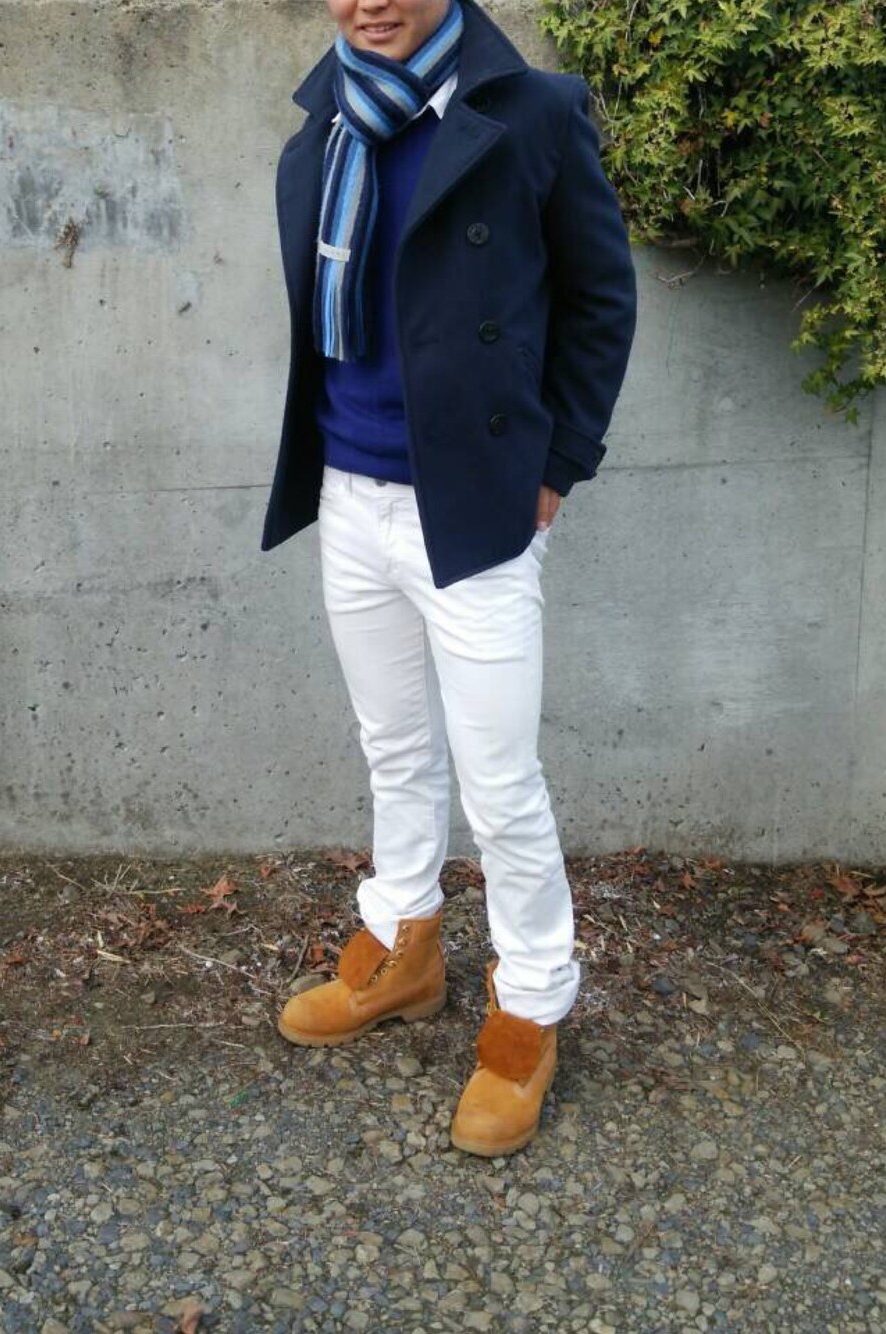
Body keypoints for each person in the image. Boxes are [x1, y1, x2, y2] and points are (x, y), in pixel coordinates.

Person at [261, 0, 637, 1156]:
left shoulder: (533, 115)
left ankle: (531, 1001)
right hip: (349, 492)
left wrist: (557, 467)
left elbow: (600, 298)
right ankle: (405, 943)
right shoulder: (326, 118)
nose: (367, 3)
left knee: (500, 781)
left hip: (472, 510)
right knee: (394, 746)